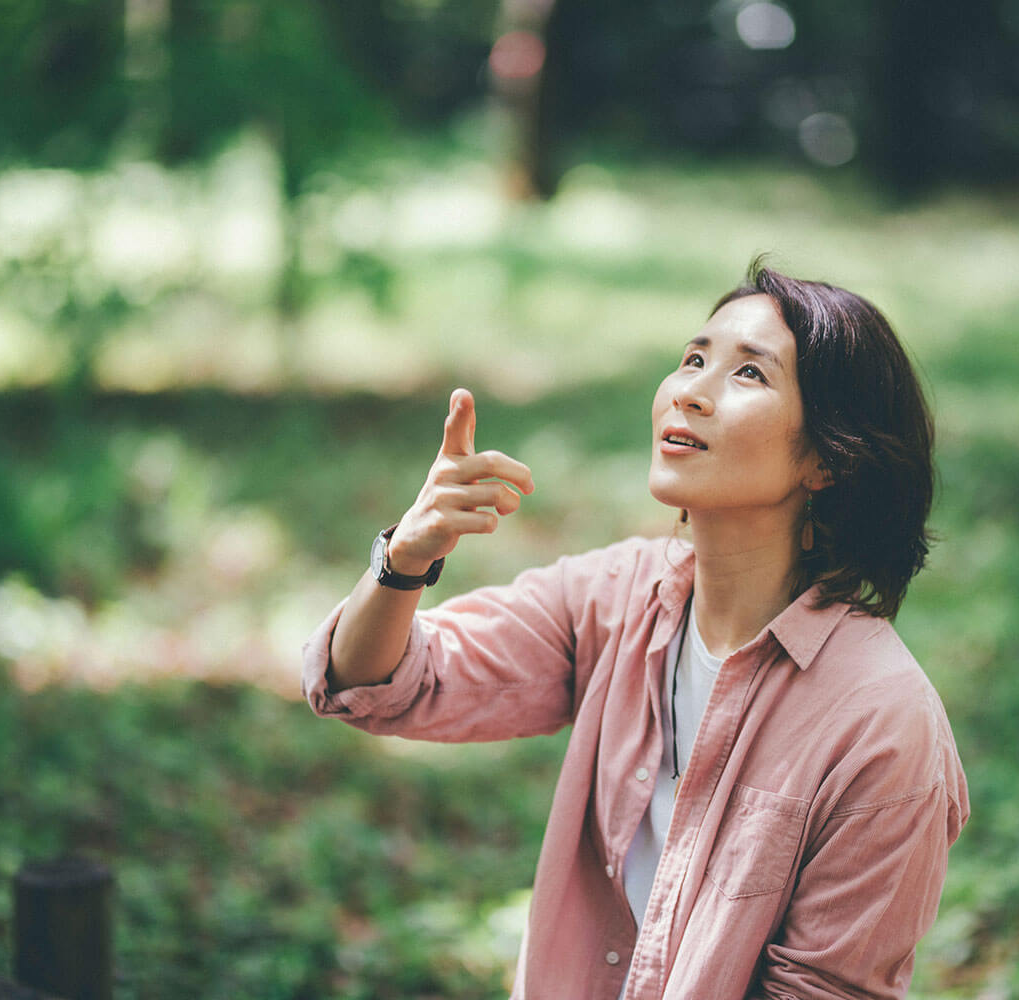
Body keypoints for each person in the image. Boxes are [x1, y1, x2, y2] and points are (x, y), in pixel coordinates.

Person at [302, 258, 969, 999]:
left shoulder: (882, 723)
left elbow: (826, 991)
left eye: (749, 374)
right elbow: (377, 686)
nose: (690, 391)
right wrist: (403, 562)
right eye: (693, 358)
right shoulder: (616, 599)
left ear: (825, 459)